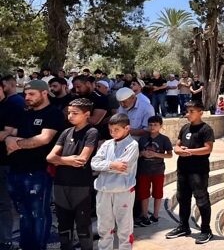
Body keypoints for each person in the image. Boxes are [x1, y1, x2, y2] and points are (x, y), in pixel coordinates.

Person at [5, 80, 63, 250]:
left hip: (38, 172)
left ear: (44, 93)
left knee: (38, 214)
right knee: (24, 214)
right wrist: (11, 139)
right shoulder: (25, 113)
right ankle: (26, 245)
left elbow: (44, 139)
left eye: (31, 94)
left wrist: (17, 144)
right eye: (26, 94)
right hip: (16, 170)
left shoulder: (53, 114)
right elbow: (11, 133)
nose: (27, 98)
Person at [46, 98, 99, 250]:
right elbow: (49, 157)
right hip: (61, 184)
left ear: (87, 114)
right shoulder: (66, 132)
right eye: (69, 113)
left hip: (80, 185)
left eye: (75, 113)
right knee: (63, 223)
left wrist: (59, 160)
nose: (70, 116)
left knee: (82, 223)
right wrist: (69, 160)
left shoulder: (92, 132)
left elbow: (82, 159)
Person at [166, 100, 214, 244]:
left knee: (201, 199)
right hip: (183, 170)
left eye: (192, 111)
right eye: (188, 111)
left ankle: (206, 230)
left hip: (198, 171)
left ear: (201, 113)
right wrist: (178, 150)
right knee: (183, 198)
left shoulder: (206, 129)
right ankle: (183, 226)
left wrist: (190, 152)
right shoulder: (185, 127)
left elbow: (208, 148)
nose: (189, 114)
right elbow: (178, 145)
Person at [91, 114, 139, 250]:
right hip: (103, 190)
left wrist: (105, 166)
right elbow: (94, 163)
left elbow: (124, 167)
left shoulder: (132, 145)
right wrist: (112, 165)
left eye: (116, 130)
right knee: (104, 226)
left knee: (124, 227)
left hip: (122, 191)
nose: (113, 133)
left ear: (127, 128)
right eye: (110, 130)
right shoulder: (106, 144)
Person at [136, 116, 173, 226]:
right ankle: (145, 215)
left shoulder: (164, 139)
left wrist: (155, 154)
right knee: (144, 194)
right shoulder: (143, 139)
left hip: (158, 170)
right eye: (150, 125)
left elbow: (170, 155)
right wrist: (142, 153)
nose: (152, 127)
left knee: (157, 194)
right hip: (144, 170)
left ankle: (156, 215)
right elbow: (136, 154)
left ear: (160, 126)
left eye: (155, 125)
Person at [0, 84, 20, 250]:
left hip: (3, 163)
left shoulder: (11, 108)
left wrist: (6, 134)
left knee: (3, 204)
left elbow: (5, 133)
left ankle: (5, 240)